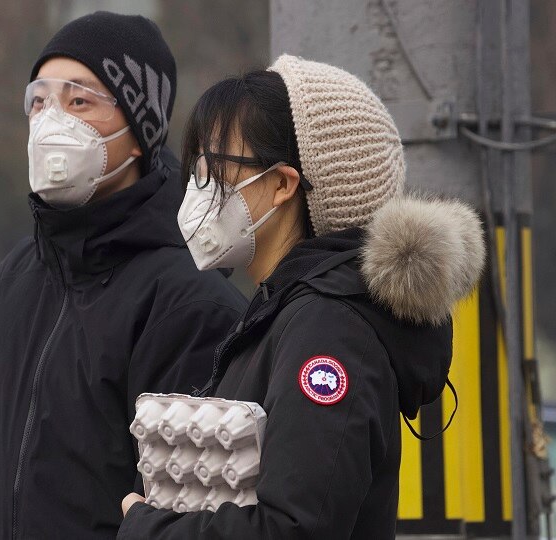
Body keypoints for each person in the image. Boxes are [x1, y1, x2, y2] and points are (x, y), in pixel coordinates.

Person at [0, 12, 246, 539]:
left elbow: (189, 522)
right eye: (38, 101)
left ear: (141, 129)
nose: (52, 121)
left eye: (79, 101)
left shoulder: (189, 305)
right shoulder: (12, 283)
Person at [119, 55, 485, 539]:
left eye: (215, 167)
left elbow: (293, 528)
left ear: (282, 185)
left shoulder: (328, 329)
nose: (197, 188)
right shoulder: (287, 312)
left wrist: (151, 529)